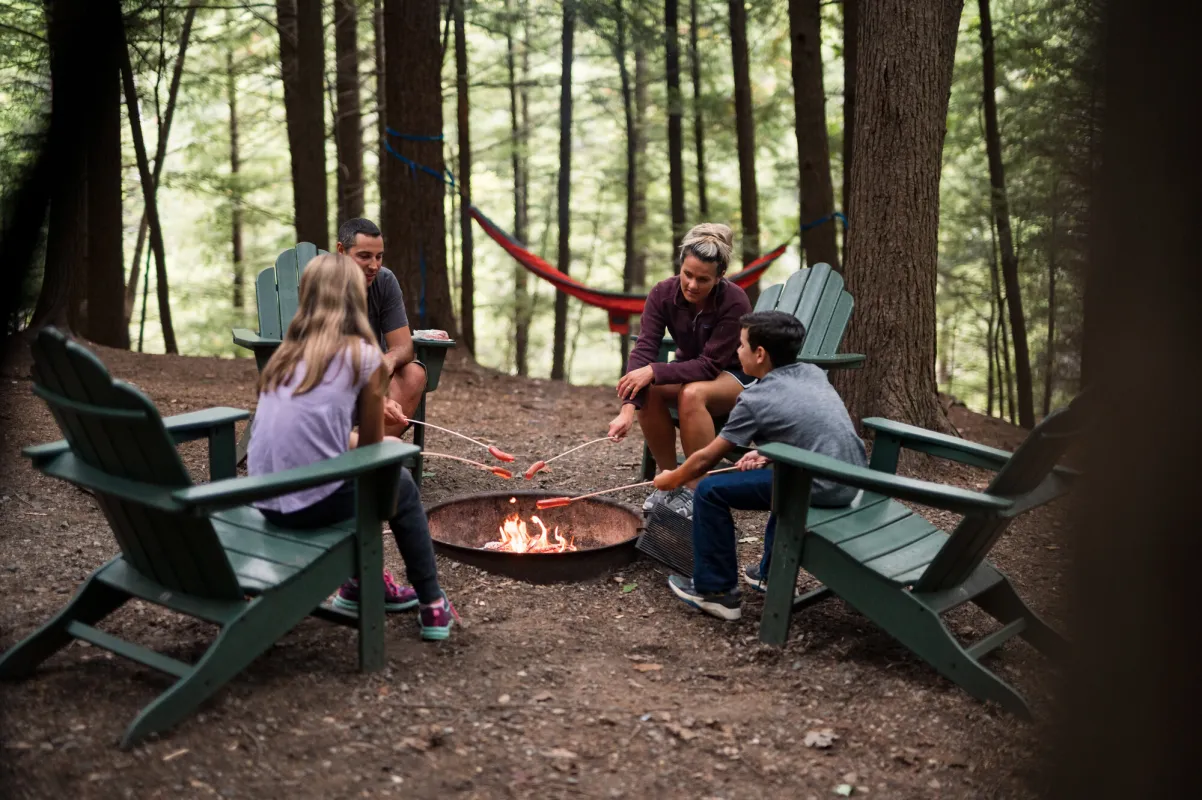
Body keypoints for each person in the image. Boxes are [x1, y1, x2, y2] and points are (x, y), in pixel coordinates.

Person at [246, 253, 457, 640]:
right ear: (355, 299)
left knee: (358, 476)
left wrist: (359, 436)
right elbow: (371, 454)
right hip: (305, 506)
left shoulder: (284, 358)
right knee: (401, 486)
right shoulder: (364, 358)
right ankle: (432, 603)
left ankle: (360, 584)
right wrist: (386, 439)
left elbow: (318, 433)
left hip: (264, 498)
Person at [650, 310, 867, 621]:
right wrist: (769, 455)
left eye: (741, 345)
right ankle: (770, 574)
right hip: (852, 478)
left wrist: (673, 477)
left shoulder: (755, 399)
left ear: (760, 354)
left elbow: (706, 458)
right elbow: (813, 428)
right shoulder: (812, 372)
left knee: (710, 490)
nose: (737, 352)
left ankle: (716, 592)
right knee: (780, 475)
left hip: (822, 485)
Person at [607, 223, 754, 520]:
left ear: (720, 277)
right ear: (680, 266)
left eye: (703, 279)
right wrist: (626, 410)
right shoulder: (662, 293)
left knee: (692, 394)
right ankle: (670, 481)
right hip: (690, 371)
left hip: (735, 376)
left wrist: (654, 370)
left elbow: (710, 365)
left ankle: (695, 489)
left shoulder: (734, 300)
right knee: (650, 388)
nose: (692, 285)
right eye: (687, 274)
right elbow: (645, 347)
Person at [335, 217, 428, 438]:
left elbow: (404, 346)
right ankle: (340, 454)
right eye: (364, 256)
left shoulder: (384, 281)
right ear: (341, 250)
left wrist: (389, 360)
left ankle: (375, 455)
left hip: (373, 374)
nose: (374, 265)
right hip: (332, 373)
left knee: (414, 373)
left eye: (379, 257)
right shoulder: (324, 282)